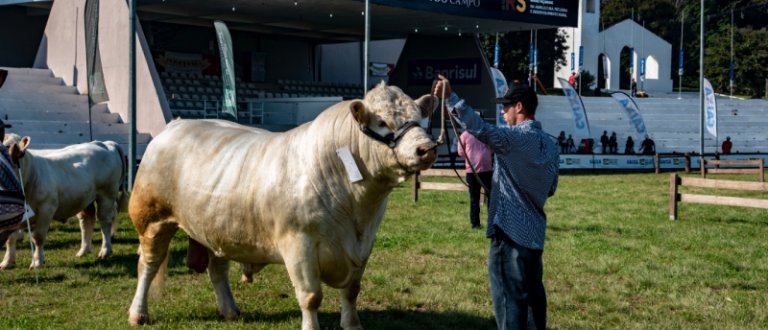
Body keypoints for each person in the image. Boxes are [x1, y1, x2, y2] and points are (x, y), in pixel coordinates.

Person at [434, 74, 559, 330]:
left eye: (505, 106)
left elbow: (480, 128)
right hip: (534, 233)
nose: (502, 111)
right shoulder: (551, 145)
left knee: (510, 302)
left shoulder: (514, 138)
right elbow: (551, 189)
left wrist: (450, 99)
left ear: (520, 107)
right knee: (534, 300)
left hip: (510, 233)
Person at [457, 114, 494, 229]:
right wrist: (471, 160)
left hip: (487, 171)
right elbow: (461, 151)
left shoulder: (487, 135)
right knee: (474, 199)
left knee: (492, 198)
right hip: (472, 172)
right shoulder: (465, 135)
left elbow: (492, 149)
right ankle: (475, 224)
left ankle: (492, 224)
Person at [0, 119, 26, 244]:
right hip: (11, 210)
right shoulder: (2, 150)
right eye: (2, 131)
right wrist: (11, 155)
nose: (3, 135)